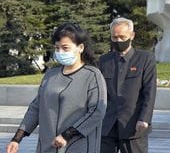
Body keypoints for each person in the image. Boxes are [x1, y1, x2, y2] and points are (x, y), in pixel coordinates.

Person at [6, 23, 107, 153]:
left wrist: (68, 134)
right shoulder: (51, 75)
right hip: (48, 147)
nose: (60, 52)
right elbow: (36, 108)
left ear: (80, 47)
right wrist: (17, 138)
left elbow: (97, 111)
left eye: (65, 48)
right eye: (57, 48)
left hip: (78, 145)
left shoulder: (92, 75)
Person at [99, 18, 157, 153]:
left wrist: (144, 119)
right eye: (115, 37)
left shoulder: (145, 59)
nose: (118, 41)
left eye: (122, 37)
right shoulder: (103, 61)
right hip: (107, 126)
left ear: (132, 35)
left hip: (134, 126)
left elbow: (150, 91)